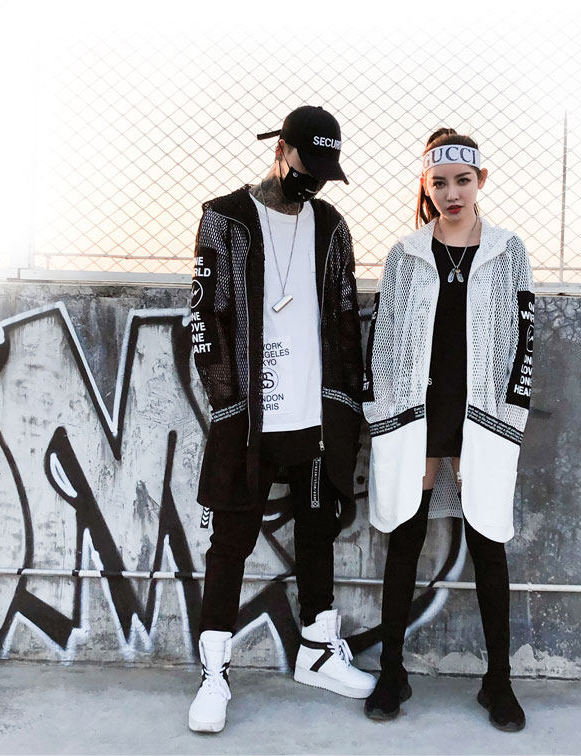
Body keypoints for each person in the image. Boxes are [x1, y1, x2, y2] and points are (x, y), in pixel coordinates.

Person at [187, 105, 375, 733]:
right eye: (306, 163)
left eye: (325, 170)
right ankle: (214, 673)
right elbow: (205, 322)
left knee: (319, 531)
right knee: (231, 543)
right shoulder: (226, 218)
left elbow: (344, 321)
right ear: (281, 150)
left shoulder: (331, 226)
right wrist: (230, 407)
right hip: (249, 423)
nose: (313, 179)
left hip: (315, 417)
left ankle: (318, 652)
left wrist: (347, 406)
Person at [362, 128, 534, 731]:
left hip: (481, 415)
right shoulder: (406, 254)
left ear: (480, 181)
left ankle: (498, 682)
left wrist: (508, 419)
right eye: (439, 183)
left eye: (463, 181)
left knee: (487, 539)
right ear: (426, 185)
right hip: (418, 413)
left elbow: (522, 340)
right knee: (406, 536)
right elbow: (383, 339)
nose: (451, 193)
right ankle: (392, 672)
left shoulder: (508, 250)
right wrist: (385, 418)